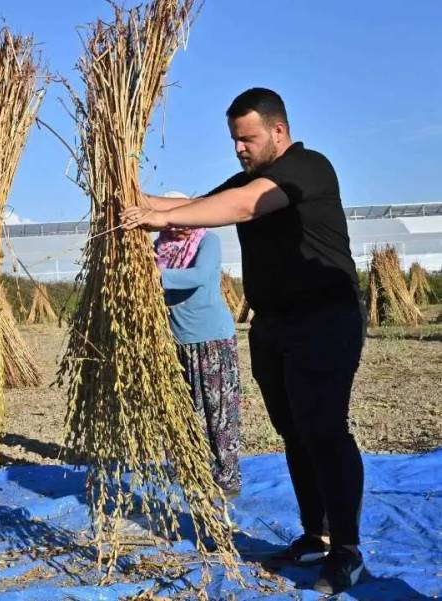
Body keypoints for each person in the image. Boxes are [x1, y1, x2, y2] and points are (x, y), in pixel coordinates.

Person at [123, 88, 366, 594]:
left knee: (325, 427)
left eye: (247, 139)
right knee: (293, 430)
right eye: (234, 140)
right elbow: (196, 204)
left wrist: (164, 219)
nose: (239, 149)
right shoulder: (249, 178)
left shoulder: (308, 168)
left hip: (325, 318)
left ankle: (347, 552)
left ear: (278, 131)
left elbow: (245, 207)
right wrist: (132, 199)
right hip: (273, 323)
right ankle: (314, 534)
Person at [155, 226, 242, 497]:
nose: (178, 227)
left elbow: (202, 275)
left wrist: (156, 276)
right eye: (170, 223)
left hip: (211, 338)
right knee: (185, 410)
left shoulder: (207, 240)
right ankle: (192, 468)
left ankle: (226, 477)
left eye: (183, 218)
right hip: (176, 341)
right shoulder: (158, 249)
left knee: (219, 410)